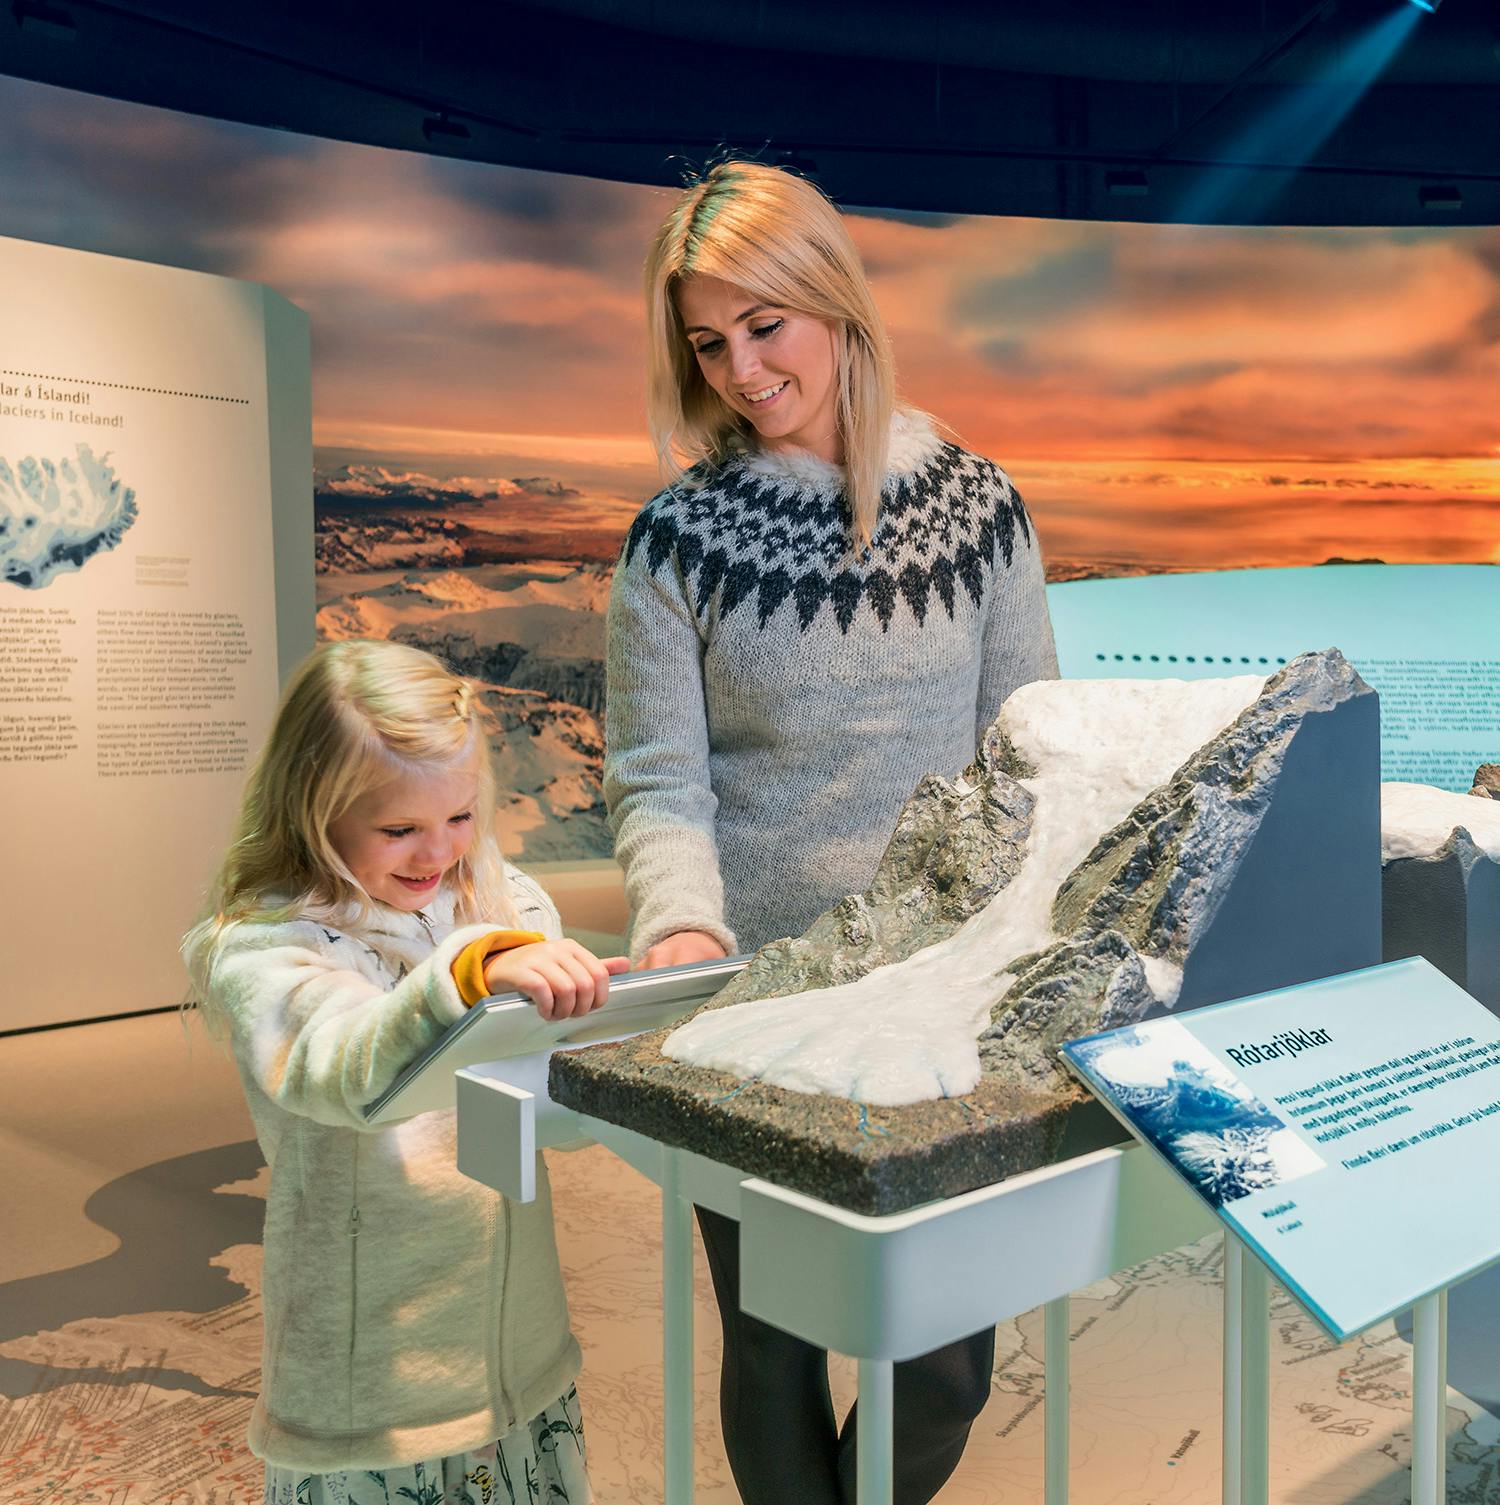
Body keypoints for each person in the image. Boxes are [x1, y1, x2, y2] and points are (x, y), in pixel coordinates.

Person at [605, 160, 1060, 1503]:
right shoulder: (676, 538)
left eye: (765, 326)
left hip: (944, 999)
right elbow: (656, 777)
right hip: (758, 997)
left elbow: (1029, 745)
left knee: (944, 1363)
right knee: (776, 1330)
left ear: (834, 305)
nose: (741, 370)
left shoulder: (981, 509)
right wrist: (680, 916)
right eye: (708, 342)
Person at [182, 638, 626, 1505]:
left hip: (517, 1349)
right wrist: (465, 974)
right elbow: (343, 1064)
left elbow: (538, 1076)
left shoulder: (494, 905)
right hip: (374, 1389)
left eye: (461, 817)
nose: (439, 852)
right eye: (399, 829)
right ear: (312, 810)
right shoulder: (267, 947)